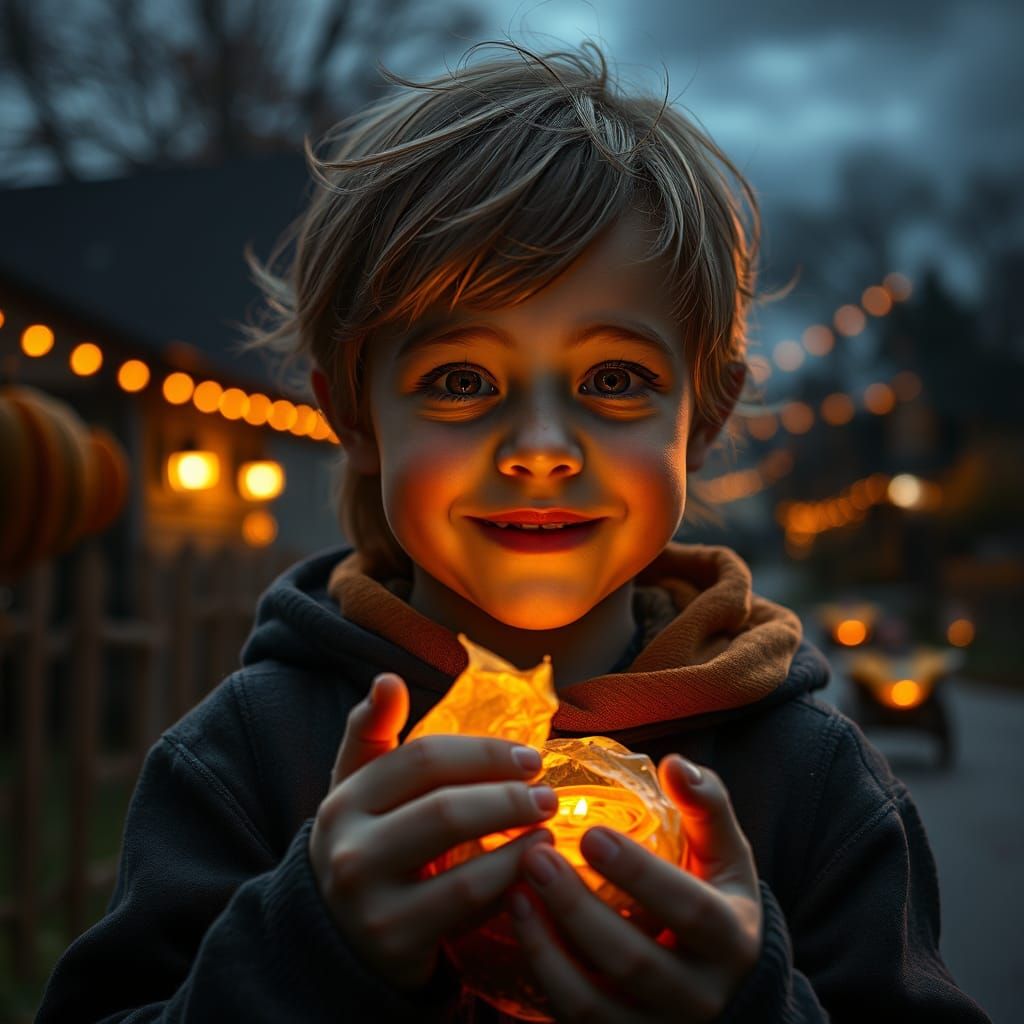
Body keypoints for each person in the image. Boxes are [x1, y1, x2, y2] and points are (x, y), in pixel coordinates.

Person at [38, 40, 990, 1023]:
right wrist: (307, 950)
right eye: (460, 380)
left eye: (614, 379)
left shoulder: (810, 783)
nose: (540, 449)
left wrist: (751, 1007)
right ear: (355, 417)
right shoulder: (250, 757)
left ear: (703, 417)